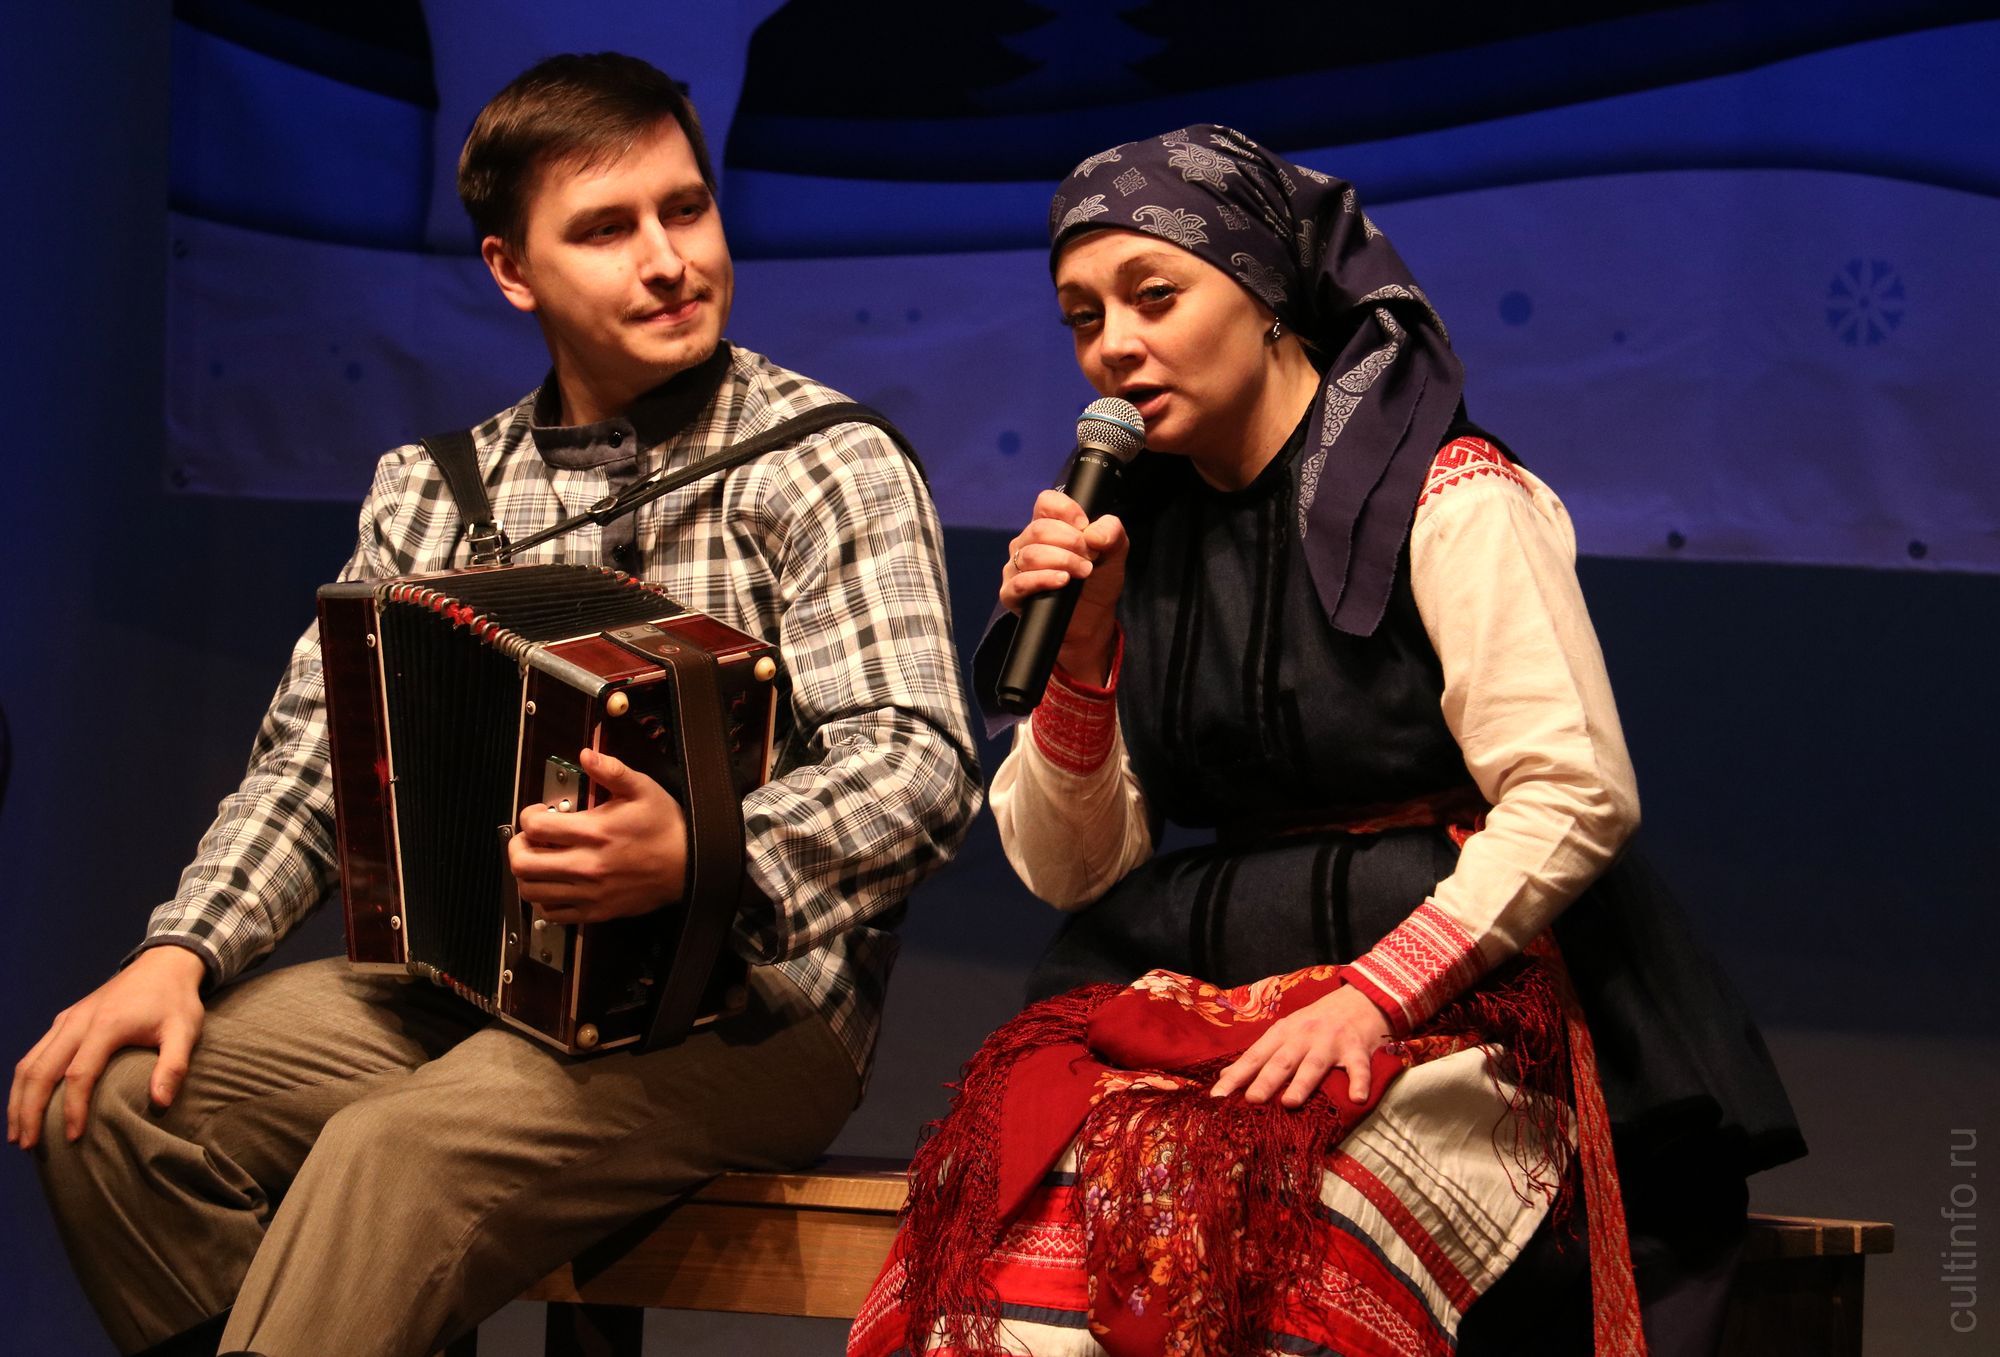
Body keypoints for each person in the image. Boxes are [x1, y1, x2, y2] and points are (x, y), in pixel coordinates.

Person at [8, 53, 982, 1357]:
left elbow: (918, 763)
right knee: (117, 1099)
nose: (668, 260)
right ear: (512, 270)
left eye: (686, 209)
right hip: (462, 985)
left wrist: (702, 853)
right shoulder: (435, 491)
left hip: (749, 1006)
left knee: (395, 1154)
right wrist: (180, 952)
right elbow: (315, 763)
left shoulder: (824, 461)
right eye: (606, 229)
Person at [849, 127, 1802, 1357]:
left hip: (1464, 990)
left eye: (1153, 296)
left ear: (1262, 295)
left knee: (1289, 1232)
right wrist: (1079, 658)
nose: (1112, 346)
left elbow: (1572, 792)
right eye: (1083, 317)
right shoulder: (1132, 528)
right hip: (1227, 973)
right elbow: (1069, 870)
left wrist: (1370, 996)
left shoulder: (1450, 493)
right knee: (1026, 1226)